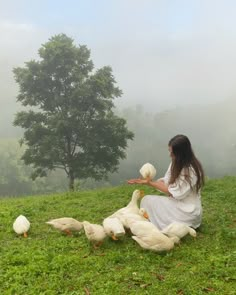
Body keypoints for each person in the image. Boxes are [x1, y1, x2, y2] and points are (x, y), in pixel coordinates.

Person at [127, 134, 204, 230]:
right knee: (147, 201)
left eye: (172, 152)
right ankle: (167, 225)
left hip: (188, 212)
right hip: (178, 204)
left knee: (147, 201)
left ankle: (175, 226)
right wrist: (148, 181)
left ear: (180, 153)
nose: (170, 155)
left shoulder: (190, 170)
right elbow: (167, 183)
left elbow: (175, 193)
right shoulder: (175, 162)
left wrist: (150, 183)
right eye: (170, 151)